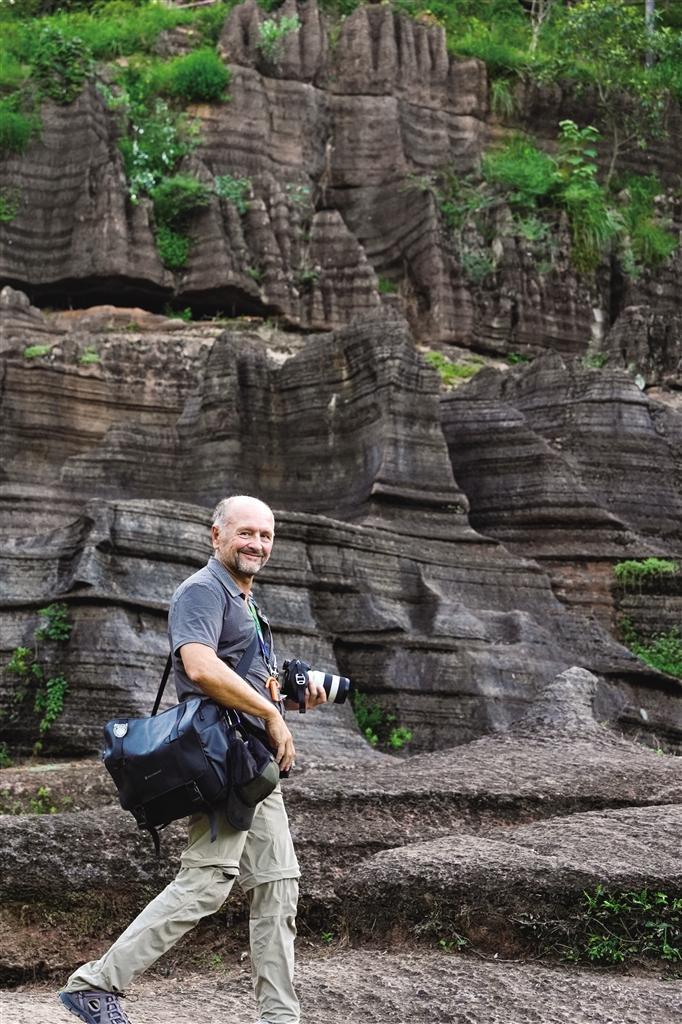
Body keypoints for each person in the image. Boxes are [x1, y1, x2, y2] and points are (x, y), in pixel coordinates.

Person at [59, 495, 326, 1024]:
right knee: (207, 881)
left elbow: (243, 680)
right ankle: (95, 984)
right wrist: (273, 719)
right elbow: (200, 668)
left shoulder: (247, 603)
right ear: (216, 536)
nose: (256, 544)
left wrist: (287, 701)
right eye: (245, 533)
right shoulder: (202, 591)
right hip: (222, 760)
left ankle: (279, 1016)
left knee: (277, 885)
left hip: (253, 765)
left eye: (266, 536)